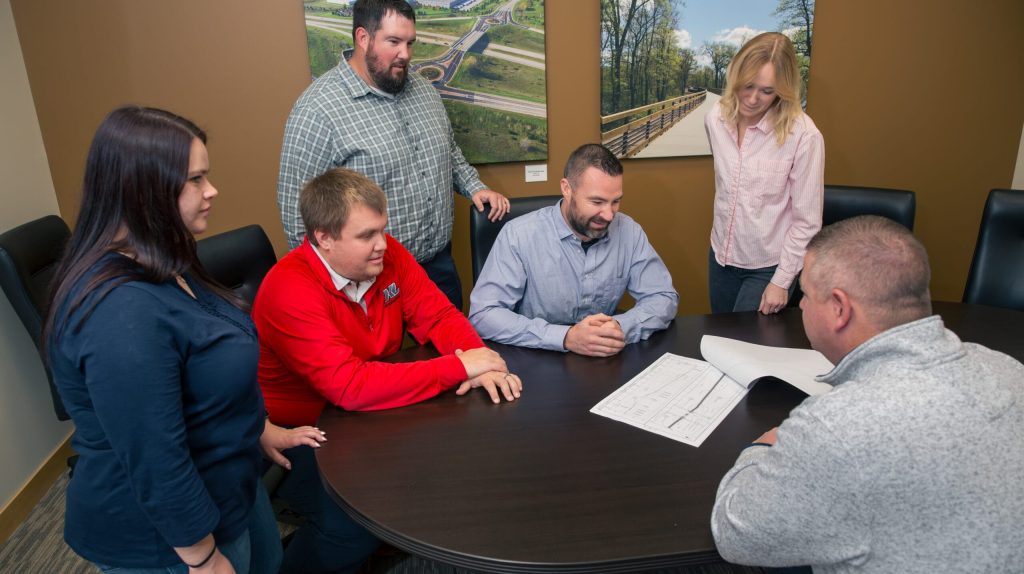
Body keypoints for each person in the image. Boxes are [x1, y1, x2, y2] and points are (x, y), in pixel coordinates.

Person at [45, 106, 324, 574]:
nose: (211, 190)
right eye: (195, 179)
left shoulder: (163, 257)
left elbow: (207, 372)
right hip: (168, 539)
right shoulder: (120, 312)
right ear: (144, 189)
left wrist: (257, 428)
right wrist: (203, 557)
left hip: (230, 486)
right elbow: (156, 458)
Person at [711, 216, 1024, 572]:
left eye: (806, 295)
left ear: (840, 308)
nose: (802, 306)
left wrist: (761, 449)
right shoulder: (1008, 370)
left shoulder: (832, 427)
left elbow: (734, 533)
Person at [254, 166, 521, 573]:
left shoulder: (387, 255)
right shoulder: (289, 289)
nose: (383, 244)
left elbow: (437, 315)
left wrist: (477, 359)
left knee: (458, 467)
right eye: (366, 236)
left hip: (370, 413)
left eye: (382, 229)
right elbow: (349, 386)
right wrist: (459, 365)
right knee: (349, 530)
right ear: (324, 238)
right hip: (302, 430)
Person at [277, 0, 510, 309]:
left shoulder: (424, 91)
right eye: (394, 42)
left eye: (410, 42)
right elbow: (298, 214)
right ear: (363, 38)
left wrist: (475, 186)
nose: (406, 54)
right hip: (367, 283)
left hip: (437, 268)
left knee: (454, 340)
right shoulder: (317, 111)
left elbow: (448, 151)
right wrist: (330, 290)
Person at [468, 143, 678, 357]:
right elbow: (484, 315)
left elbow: (662, 297)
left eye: (615, 201)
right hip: (536, 356)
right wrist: (565, 337)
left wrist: (619, 326)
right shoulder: (519, 235)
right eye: (597, 201)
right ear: (567, 189)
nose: (609, 215)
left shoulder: (628, 231)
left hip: (604, 357)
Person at [705, 32, 824, 314]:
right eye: (747, 85)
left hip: (768, 268)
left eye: (767, 91)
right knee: (720, 336)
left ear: (783, 90)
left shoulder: (804, 136)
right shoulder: (715, 118)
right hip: (721, 257)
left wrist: (782, 281)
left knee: (746, 341)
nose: (752, 99)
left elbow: (807, 222)